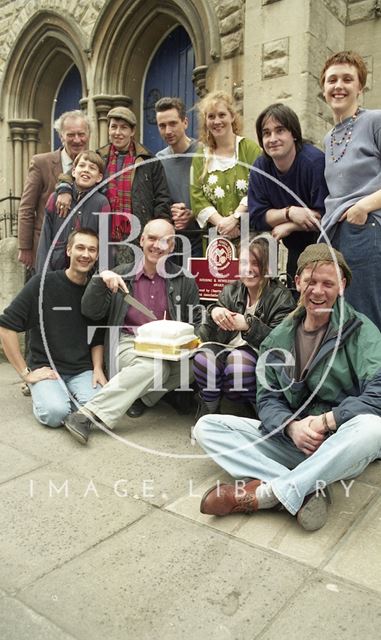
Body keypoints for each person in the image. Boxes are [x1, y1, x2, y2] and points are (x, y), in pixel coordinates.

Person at [194, 243, 381, 531]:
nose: (318, 291)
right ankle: (304, 488)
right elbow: (267, 399)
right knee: (207, 427)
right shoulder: (278, 337)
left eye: (328, 283)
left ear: (342, 286)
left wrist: (327, 421)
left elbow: (378, 392)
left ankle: (268, 494)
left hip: (337, 442)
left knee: (373, 427)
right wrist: (291, 427)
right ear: (297, 282)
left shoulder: (361, 330)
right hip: (293, 439)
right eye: (311, 282)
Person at [64, 218, 202, 445]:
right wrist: (100, 279)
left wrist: (189, 342)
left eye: (165, 241)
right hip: (129, 343)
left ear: (173, 246)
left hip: (169, 348)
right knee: (156, 368)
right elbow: (90, 311)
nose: (157, 245)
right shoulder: (121, 274)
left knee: (197, 364)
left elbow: (196, 320)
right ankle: (86, 415)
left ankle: (138, 398)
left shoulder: (184, 280)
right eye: (152, 238)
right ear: (142, 240)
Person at [0, 229, 107, 429]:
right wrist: (26, 373)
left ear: (97, 255)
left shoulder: (95, 292)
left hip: (81, 370)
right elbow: (6, 327)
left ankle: (63, 396)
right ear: (68, 250)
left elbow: (97, 336)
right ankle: (43, 392)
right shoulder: (43, 284)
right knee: (55, 414)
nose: (86, 254)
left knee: (103, 411)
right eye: (80, 248)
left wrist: (98, 368)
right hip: (46, 368)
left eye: (92, 250)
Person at [56, 106, 171, 265]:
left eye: (123, 128)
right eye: (113, 127)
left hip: (137, 235)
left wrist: (159, 234)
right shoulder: (98, 156)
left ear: (132, 131)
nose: (118, 132)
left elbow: (162, 199)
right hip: (104, 235)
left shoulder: (148, 161)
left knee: (133, 283)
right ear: (108, 129)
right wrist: (64, 189)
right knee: (106, 281)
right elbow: (70, 174)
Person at [193, 237, 295, 416]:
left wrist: (249, 326)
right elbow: (207, 335)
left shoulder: (281, 297)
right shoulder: (231, 290)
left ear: (268, 267)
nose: (248, 269)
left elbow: (281, 342)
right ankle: (210, 409)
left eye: (255, 263)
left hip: (261, 355)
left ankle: (259, 409)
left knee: (238, 362)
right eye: (243, 262)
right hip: (228, 349)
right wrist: (214, 312)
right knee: (204, 357)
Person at [320, 50, 381, 330]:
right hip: (336, 234)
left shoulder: (374, 121)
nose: (339, 86)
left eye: (347, 79)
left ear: (360, 86)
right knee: (343, 315)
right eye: (332, 80)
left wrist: (363, 208)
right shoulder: (329, 138)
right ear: (323, 88)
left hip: (365, 229)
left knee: (366, 315)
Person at [248, 103, 328, 285]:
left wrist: (289, 226)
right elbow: (257, 216)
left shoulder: (314, 163)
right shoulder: (260, 168)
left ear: (294, 134)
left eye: (280, 130)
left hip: (323, 247)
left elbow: (324, 216)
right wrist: (289, 212)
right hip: (295, 248)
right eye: (266, 133)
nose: (272, 138)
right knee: (294, 296)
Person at [17, 110, 90, 269]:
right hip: (45, 247)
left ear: (88, 135)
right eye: (70, 135)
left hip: (81, 253)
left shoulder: (95, 164)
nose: (77, 140)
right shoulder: (41, 163)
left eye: (81, 134)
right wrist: (25, 248)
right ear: (61, 136)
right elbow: (26, 207)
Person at [190, 91, 261, 247]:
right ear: (205, 122)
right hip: (216, 238)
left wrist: (235, 218)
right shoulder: (200, 156)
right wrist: (222, 224)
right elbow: (196, 196)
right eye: (211, 117)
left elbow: (259, 188)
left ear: (232, 117)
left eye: (222, 115)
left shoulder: (249, 149)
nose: (217, 121)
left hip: (252, 236)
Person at [36, 151, 110, 273]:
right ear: (74, 172)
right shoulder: (55, 198)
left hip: (86, 274)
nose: (86, 170)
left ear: (99, 177)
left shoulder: (102, 203)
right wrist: (42, 275)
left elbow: (104, 244)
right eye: (82, 166)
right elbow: (45, 238)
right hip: (56, 269)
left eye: (92, 168)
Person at [155, 96, 202, 259]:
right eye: (162, 126)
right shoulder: (158, 160)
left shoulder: (203, 153)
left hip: (202, 239)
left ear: (185, 122)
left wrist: (193, 214)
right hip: (171, 242)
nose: (168, 131)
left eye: (173, 123)